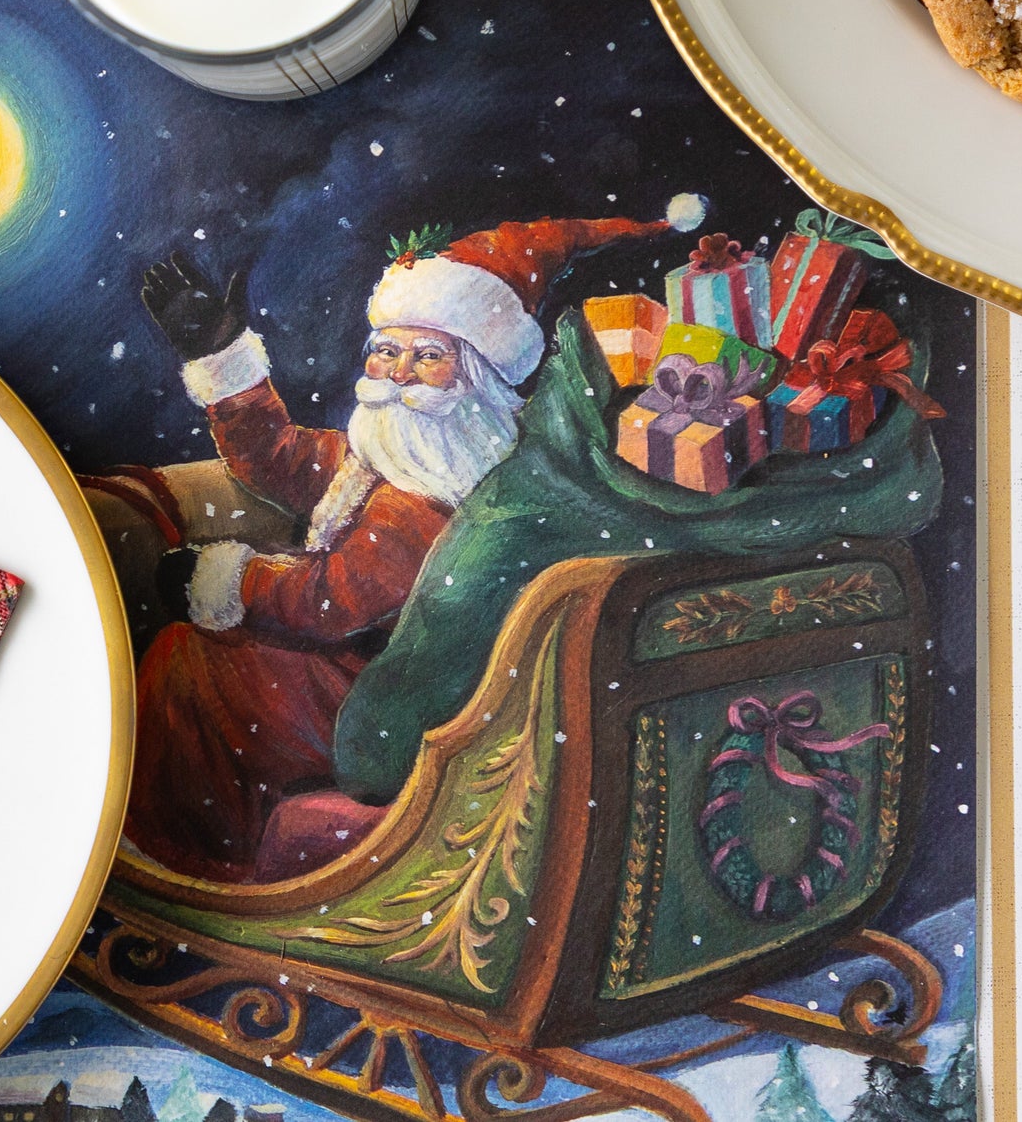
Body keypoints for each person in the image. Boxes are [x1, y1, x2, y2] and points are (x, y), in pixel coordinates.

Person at [125, 197, 705, 881]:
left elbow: (330, 601)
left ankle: (193, 861)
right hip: (348, 662)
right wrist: (221, 354)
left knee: (193, 665)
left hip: (380, 692)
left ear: (479, 377)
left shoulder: (437, 499)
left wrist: (222, 580)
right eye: (387, 353)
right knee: (201, 660)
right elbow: (279, 457)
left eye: (427, 357)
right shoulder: (391, 456)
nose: (398, 374)